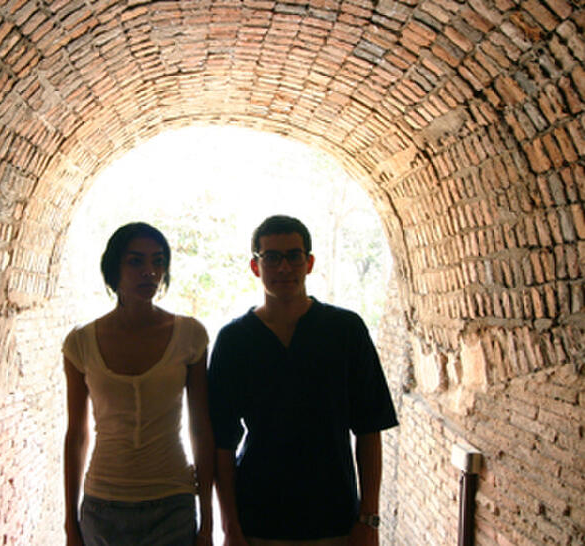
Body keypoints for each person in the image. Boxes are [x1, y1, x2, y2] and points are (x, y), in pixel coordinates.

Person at [208, 215, 398, 546]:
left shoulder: (346, 330)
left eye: (293, 256)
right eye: (272, 257)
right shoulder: (235, 340)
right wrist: (230, 526)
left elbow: (369, 428)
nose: (284, 267)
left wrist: (369, 518)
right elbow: (221, 442)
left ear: (309, 263)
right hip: (258, 519)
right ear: (255, 266)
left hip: (335, 517)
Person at [63, 222, 214, 546]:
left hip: (172, 500)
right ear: (113, 269)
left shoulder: (189, 335)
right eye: (135, 261)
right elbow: (76, 435)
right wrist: (70, 525)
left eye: (158, 261)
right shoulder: (81, 343)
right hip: (103, 504)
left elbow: (201, 428)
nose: (150, 271)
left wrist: (208, 523)